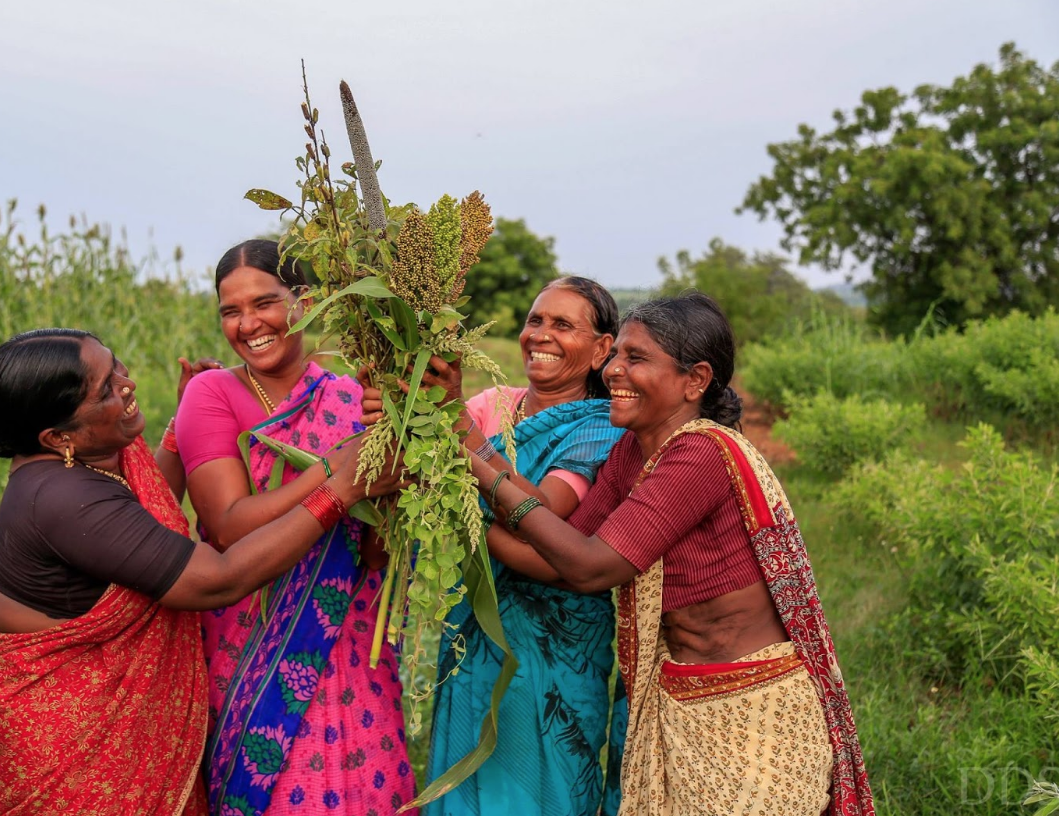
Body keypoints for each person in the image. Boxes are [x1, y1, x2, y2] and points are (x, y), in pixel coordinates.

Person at [466, 294, 876, 815]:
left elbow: (590, 566)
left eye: (636, 359)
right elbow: (560, 563)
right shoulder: (631, 451)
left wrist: (475, 454)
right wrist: (469, 521)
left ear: (695, 379)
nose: (614, 369)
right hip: (681, 703)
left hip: (753, 712)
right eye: (617, 356)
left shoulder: (700, 452)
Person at [0, 328, 401, 816]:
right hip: (73, 747)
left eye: (116, 366)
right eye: (106, 389)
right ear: (58, 437)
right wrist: (338, 486)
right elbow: (217, 578)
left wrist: (183, 428)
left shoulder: (89, 460)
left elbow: (143, 516)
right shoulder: (60, 499)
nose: (126, 385)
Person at [174, 240, 417, 816]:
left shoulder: (353, 396)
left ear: (304, 300)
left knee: (368, 786)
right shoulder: (212, 394)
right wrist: (343, 473)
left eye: (265, 303)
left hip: (351, 635)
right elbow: (228, 526)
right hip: (253, 635)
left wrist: (401, 465)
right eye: (230, 312)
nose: (248, 324)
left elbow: (376, 551)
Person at [418, 277, 627, 816]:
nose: (541, 335)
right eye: (536, 320)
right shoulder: (493, 404)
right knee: (469, 782)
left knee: (544, 791)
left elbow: (541, 510)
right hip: (475, 632)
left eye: (563, 325)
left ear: (603, 348)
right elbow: (434, 479)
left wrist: (459, 429)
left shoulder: (603, 425)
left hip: (555, 648)